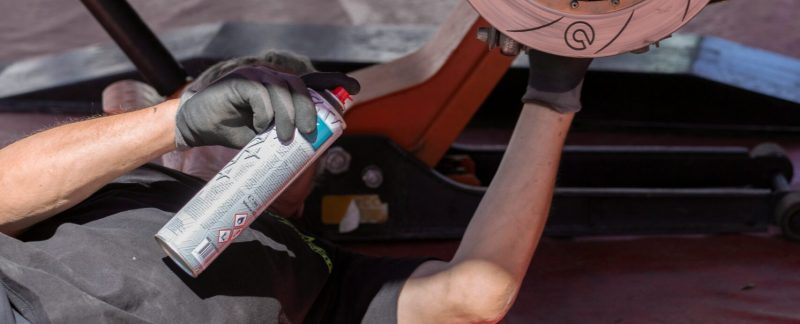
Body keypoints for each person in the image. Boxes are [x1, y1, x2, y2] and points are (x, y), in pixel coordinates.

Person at [0, 48, 591, 323]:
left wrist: (552, 97)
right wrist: (167, 121)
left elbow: (476, 293)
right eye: (247, 105)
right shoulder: (106, 174)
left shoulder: (323, 271)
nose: (266, 133)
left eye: (293, 127)